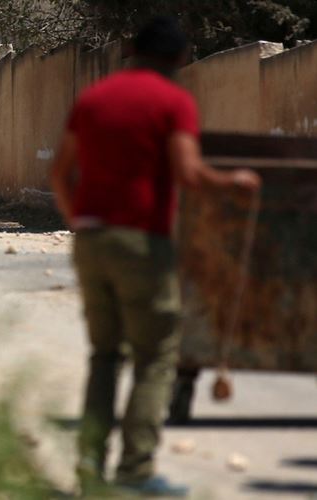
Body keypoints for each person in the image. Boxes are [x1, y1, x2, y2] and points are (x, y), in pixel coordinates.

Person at [49, 16, 260, 497]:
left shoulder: (94, 98)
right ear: (180, 58)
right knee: (154, 358)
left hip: (90, 240)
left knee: (104, 356)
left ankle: (88, 464)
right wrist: (234, 182)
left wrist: (77, 221)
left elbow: (61, 173)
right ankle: (135, 472)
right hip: (142, 242)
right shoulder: (173, 101)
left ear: (133, 51)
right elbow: (188, 171)